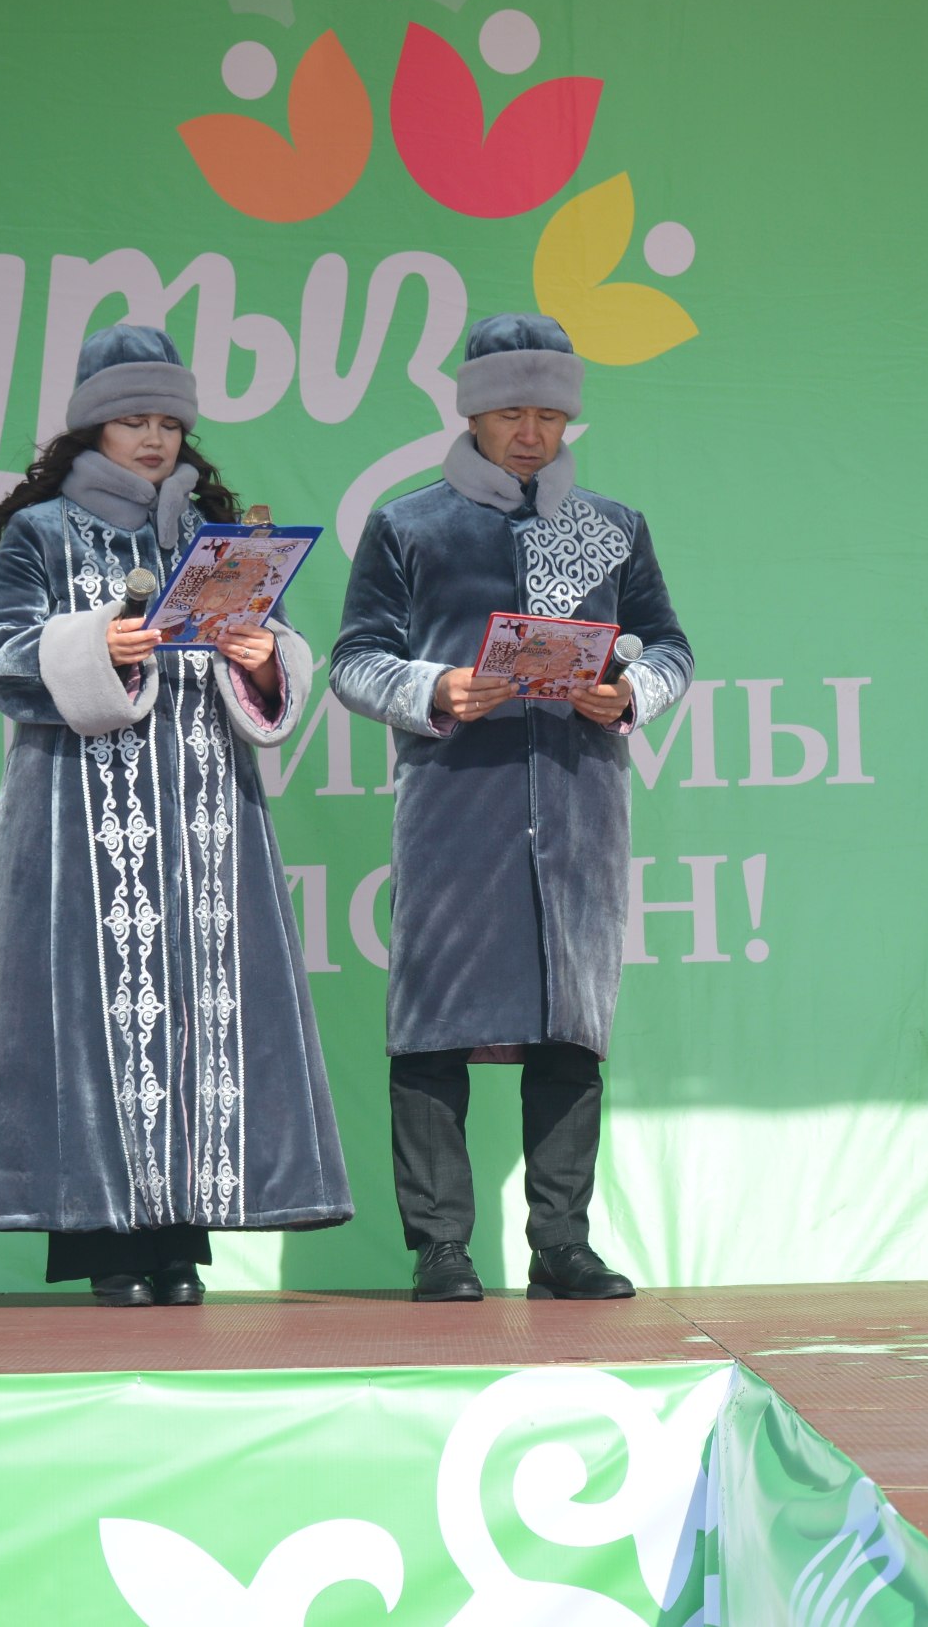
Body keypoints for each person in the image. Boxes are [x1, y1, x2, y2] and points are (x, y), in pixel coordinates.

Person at [0, 325, 352, 1305]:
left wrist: (264, 658)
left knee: (199, 1019)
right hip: (80, 815)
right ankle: (107, 1248)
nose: (155, 438)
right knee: (92, 1023)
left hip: (209, 813)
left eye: (168, 421)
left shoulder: (218, 537)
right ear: (94, 428)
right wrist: (96, 646)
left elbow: (279, 657)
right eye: (134, 420)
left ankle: (177, 1244)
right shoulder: (46, 532)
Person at [332, 313, 692, 1303]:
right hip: (455, 806)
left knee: (570, 1029)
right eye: (509, 414)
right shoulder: (409, 526)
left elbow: (669, 645)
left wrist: (629, 692)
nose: (531, 433)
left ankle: (561, 1245)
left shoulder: (613, 527)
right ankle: (440, 1248)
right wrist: (435, 688)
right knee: (434, 1029)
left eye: (549, 415)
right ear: (472, 413)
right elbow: (354, 660)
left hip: (579, 806)